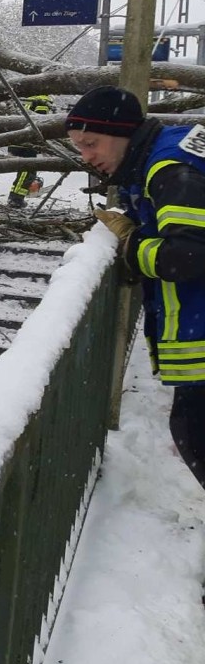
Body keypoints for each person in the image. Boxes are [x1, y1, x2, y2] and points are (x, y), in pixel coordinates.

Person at [67, 85, 205, 490]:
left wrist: (132, 245)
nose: (86, 156)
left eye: (91, 143)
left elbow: (188, 255)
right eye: (79, 146)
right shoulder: (172, 151)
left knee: (194, 432)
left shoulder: (170, 169)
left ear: (124, 132)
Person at [7, 92, 53, 208]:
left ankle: (17, 197)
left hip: (18, 140)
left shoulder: (28, 98)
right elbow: (41, 121)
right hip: (26, 143)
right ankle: (15, 199)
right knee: (26, 172)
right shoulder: (43, 100)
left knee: (28, 172)